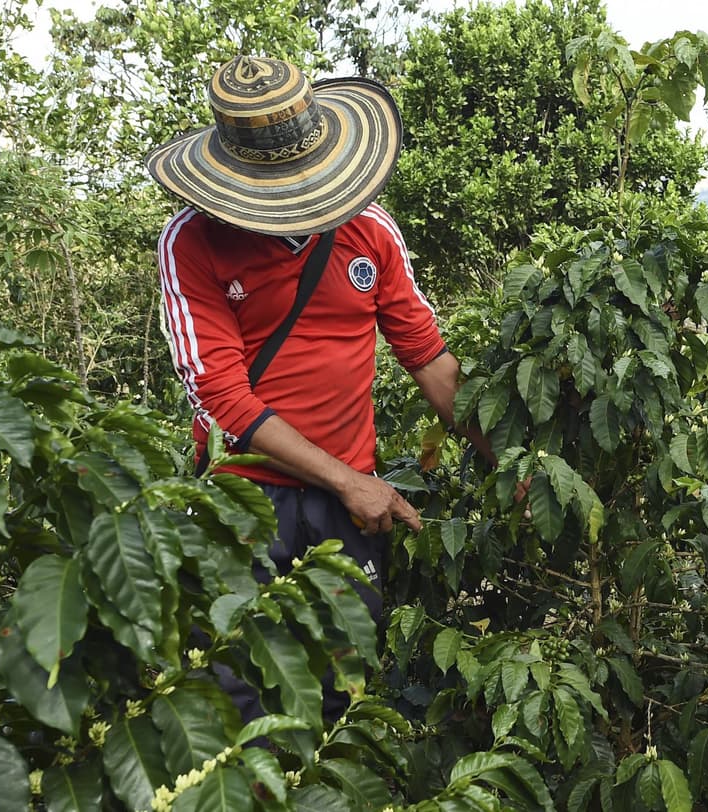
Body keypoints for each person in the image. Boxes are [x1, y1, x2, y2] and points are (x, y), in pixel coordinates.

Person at [145, 55, 490, 719]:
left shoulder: (369, 229)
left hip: (346, 508)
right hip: (242, 503)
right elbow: (221, 398)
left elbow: (429, 360)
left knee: (343, 696)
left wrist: (509, 460)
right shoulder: (193, 241)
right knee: (235, 694)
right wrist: (347, 479)